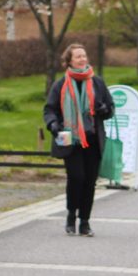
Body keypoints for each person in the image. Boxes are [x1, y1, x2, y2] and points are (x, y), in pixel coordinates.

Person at [43, 43, 114, 237]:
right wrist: (53, 124)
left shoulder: (97, 82)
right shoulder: (61, 84)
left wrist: (103, 110)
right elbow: (49, 109)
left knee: (90, 181)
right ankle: (71, 214)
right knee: (76, 178)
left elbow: (110, 108)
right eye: (78, 57)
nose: (83, 59)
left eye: (84, 55)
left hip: (92, 140)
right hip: (70, 140)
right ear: (69, 61)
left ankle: (85, 221)